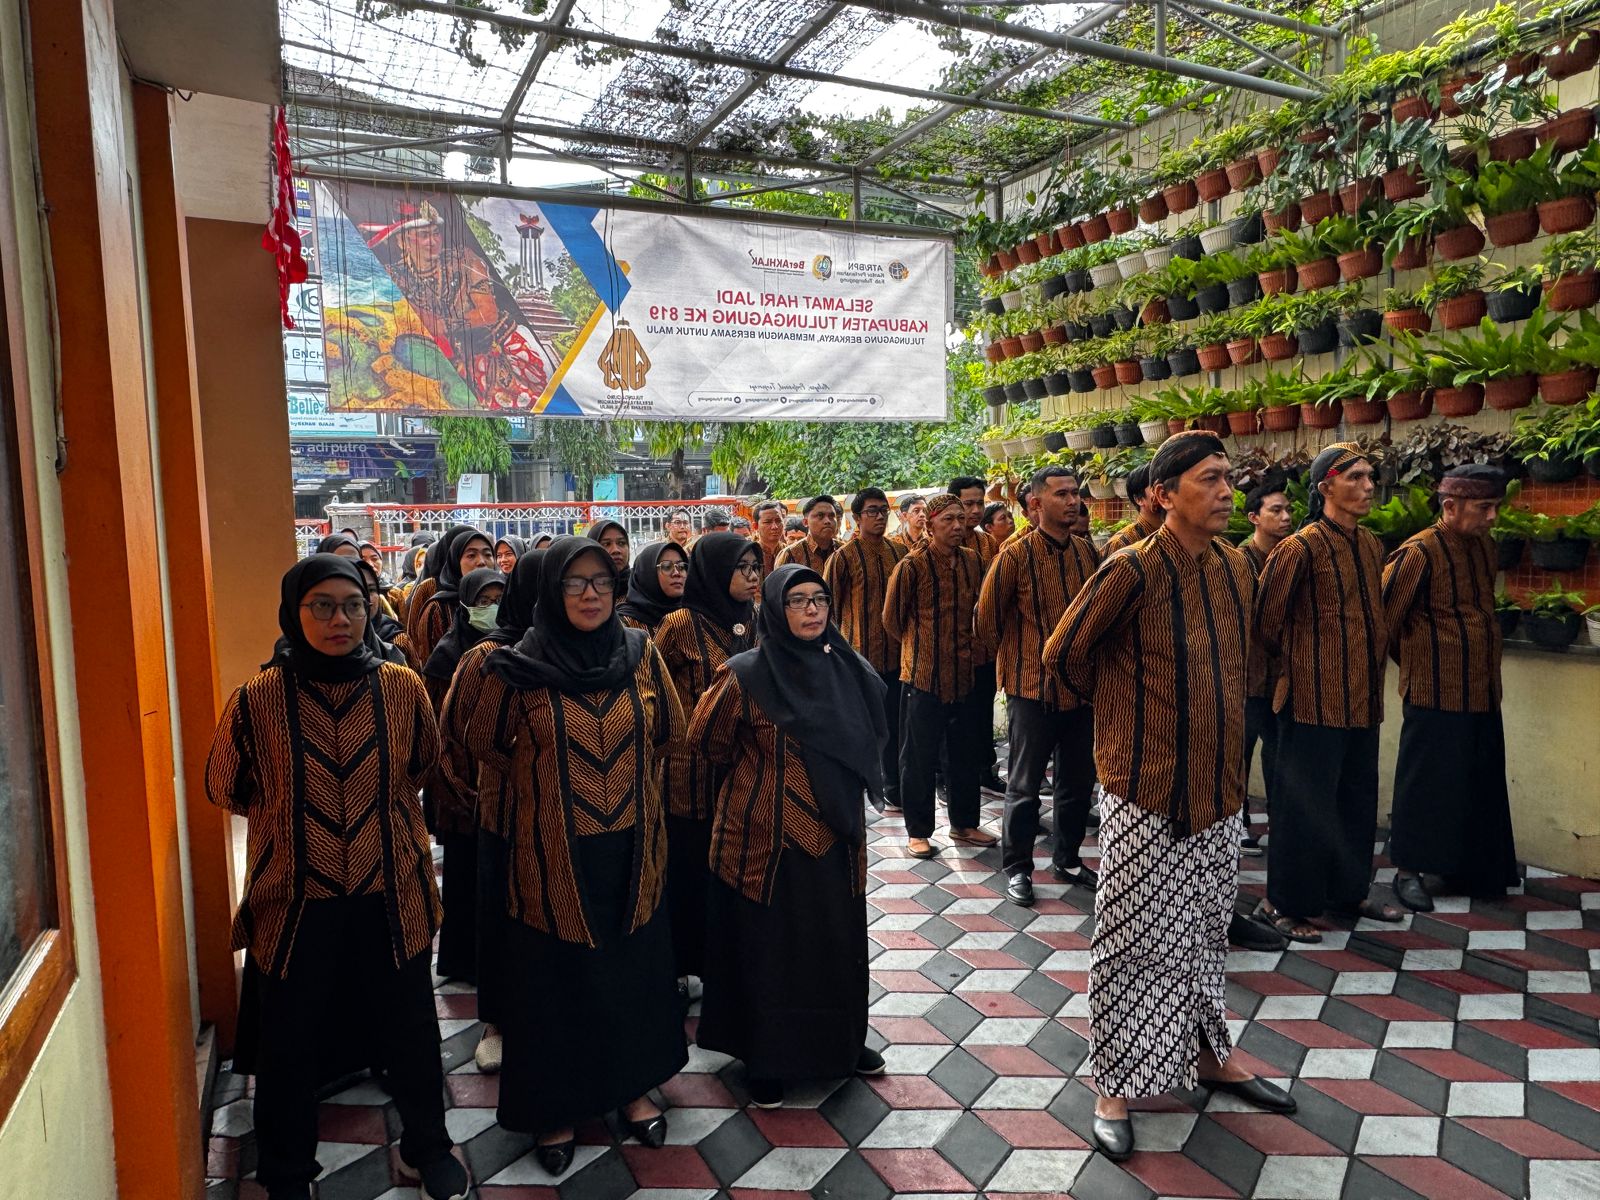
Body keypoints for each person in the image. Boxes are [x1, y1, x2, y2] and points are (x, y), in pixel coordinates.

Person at [1045, 432, 1296, 1162]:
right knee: (1129, 941)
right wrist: (1127, 719)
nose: (1226, 493)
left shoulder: (1236, 569)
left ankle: (1212, 1057)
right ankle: (1113, 1087)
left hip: (1218, 791)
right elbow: (1062, 657)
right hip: (1145, 789)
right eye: (1209, 480)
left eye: (1228, 480)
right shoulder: (1129, 570)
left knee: (1203, 934)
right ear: (1162, 494)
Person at [206, 555, 470, 1200]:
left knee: (411, 1035)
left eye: (352, 605)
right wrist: (305, 825)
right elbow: (225, 785)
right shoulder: (257, 699)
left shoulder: (401, 686)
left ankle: (427, 1148)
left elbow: (421, 763)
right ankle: (288, 1174)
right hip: (295, 903)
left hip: (393, 895)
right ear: (293, 613)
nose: (339, 620)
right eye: (320, 605)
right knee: (289, 1048)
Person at [454, 538, 686, 1172]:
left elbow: (671, 732)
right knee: (553, 985)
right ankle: (554, 1109)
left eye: (602, 583)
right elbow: (481, 745)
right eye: (575, 584)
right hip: (547, 853)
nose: (590, 595)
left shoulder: (640, 655)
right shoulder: (507, 666)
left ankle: (633, 1089)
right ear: (549, 592)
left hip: (633, 850)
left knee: (631, 973)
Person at [691, 566, 888, 1107]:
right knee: (769, 948)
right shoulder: (744, 674)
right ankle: (765, 1056)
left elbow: (872, 739)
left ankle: (841, 1044)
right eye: (797, 600)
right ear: (775, 610)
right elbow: (706, 741)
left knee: (833, 941)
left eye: (819, 599)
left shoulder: (850, 669)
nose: (811, 610)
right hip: (763, 839)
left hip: (836, 835)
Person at [1254, 443, 1403, 943]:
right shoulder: (1299, 548)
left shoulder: (1370, 545)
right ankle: (1285, 904)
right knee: (1303, 808)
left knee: (1356, 801)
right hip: (1310, 700)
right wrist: (1307, 665)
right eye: (1355, 477)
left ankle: (1347, 891)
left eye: (1369, 476)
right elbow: (1266, 624)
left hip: (1362, 700)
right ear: (1325, 488)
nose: (1367, 486)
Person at [1383, 465, 1519, 909]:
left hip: (1481, 691)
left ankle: (1468, 869)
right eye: (1484, 508)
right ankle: (1407, 872)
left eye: (1495, 506)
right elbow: (1386, 621)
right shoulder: (1418, 552)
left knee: (1476, 782)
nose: (1492, 516)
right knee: (1425, 783)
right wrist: (1424, 663)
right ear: (1450, 506)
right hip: (1433, 692)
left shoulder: (1485, 548)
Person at [439, 548, 548, 1075]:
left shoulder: (585, 650)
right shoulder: (484, 658)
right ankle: (498, 1022)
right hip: (505, 813)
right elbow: (459, 737)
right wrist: (480, 794)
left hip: (567, 820)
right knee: (503, 917)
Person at [978, 466, 1101, 906]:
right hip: (1030, 689)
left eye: (1075, 493)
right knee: (1025, 783)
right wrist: (1017, 664)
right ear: (1034, 505)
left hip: (1081, 688)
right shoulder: (1014, 555)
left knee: (1076, 780)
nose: (1073, 501)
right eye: (1062, 494)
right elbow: (986, 619)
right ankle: (1018, 868)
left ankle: (1067, 859)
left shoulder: (1088, 554)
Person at [654, 534, 761, 983]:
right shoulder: (680, 623)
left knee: (734, 870)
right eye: (743, 568)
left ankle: (728, 965)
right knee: (690, 870)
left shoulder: (756, 619)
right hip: (690, 771)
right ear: (717, 570)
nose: (754, 577)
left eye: (757, 567)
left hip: (744, 767)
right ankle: (682, 969)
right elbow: (655, 689)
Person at [882, 494, 995, 859]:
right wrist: (922, 647)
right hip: (922, 677)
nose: (959, 526)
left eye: (962, 519)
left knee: (964, 753)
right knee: (918, 757)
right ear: (930, 525)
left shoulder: (974, 562)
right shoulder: (911, 566)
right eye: (948, 519)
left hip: (964, 674)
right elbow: (892, 620)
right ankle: (918, 832)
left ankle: (964, 824)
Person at [423, 567, 507, 1003]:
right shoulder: (446, 656)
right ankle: (461, 959)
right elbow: (439, 730)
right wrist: (454, 788)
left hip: (495, 789)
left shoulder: (513, 651)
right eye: (482, 600)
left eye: (498, 599)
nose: (490, 609)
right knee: (462, 876)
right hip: (457, 786)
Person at [822, 488, 909, 811]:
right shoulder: (843, 557)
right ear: (856, 518)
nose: (879, 516)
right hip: (858, 658)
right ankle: (856, 784)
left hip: (898, 656)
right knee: (861, 725)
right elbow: (827, 608)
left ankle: (893, 785)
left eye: (883, 510)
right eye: (871, 511)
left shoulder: (899, 553)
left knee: (895, 725)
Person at [1238, 477, 1295, 856]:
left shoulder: (1293, 556)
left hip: (1281, 678)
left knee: (1279, 756)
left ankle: (1282, 824)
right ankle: (1236, 825)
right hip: (1244, 678)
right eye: (1276, 511)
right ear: (1254, 517)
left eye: (1288, 510)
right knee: (1237, 756)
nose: (1286, 517)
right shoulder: (1239, 561)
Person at [949, 476, 1004, 795]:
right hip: (949, 649)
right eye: (967, 503)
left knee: (983, 711)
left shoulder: (988, 543)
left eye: (978, 503)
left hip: (982, 646)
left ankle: (986, 769)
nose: (974, 510)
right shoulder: (938, 544)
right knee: (954, 718)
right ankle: (949, 776)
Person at [618, 540, 688, 635]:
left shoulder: (690, 617)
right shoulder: (625, 624)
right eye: (667, 567)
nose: (676, 573)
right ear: (647, 574)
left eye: (681, 566)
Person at [1103, 465, 1166, 554]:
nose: (1163, 491)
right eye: (1154, 486)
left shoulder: (1179, 535)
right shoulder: (1121, 544)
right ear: (1138, 499)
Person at [775, 494, 840, 571]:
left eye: (831, 516)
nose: (827, 521)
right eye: (820, 516)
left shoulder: (844, 551)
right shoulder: (790, 554)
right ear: (805, 522)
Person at [587, 518, 632, 595]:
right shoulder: (582, 590)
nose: (616, 550)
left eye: (621, 543)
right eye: (606, 544)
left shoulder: (641, 588)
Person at [753, 500, 789, 577]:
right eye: (768, 522)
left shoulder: (791, 552)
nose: (775, 527)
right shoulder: (750, 554)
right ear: (755, 526)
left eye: (778, 521)